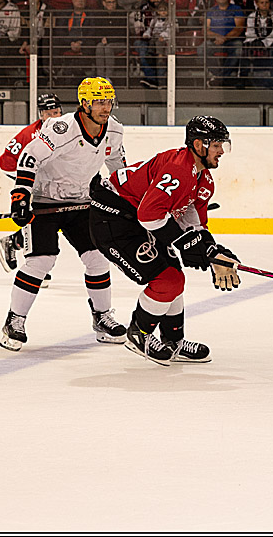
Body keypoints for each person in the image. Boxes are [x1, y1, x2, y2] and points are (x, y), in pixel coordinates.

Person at [89, 116, 238, 365]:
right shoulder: (178, 169)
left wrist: (213, 253)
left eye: (224, 145)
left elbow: (194, 224)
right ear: (198, 145)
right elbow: (149, 215)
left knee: (175, 278)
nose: (221, 151)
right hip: (113, 218)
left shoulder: (203, 179)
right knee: (166, 279)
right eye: (216, 145)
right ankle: (139, 333)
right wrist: (184, 244)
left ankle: (173, 341)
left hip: (137, 218)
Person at [0, 77, 128, 351]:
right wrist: (20, 194)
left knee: (97, 258)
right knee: (41, 261)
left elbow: (119, 168)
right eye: (99, 102)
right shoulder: (63, 128)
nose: (105, 107)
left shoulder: (115, 130)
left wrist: (129, 200)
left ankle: (102, 317)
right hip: (45, 201)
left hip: (82, 202)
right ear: (85, 103)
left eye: (108, 101)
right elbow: (29, 157)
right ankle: (15, 320)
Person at [0, 93, 63, 274]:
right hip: (31, 177)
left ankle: (14, 242)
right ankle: (36, 262)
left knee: (47, 218)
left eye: (56, 112)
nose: (53, 117)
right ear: (41, 115)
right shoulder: (31, 134)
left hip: (54, 180)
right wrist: (27, 182)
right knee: (40, 217)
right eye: (48, 114)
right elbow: (7, 161)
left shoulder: (68, 128)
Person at [204, 0, 246, 86]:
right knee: (202, 49)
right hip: (215, 41)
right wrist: (217, 37)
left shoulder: (236, 9)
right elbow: (205, 30)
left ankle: (220, 77)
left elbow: (239, 29)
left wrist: (225, 38)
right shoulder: (211, 11)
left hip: (231, 41)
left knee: (238, 48)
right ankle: (220, 75)